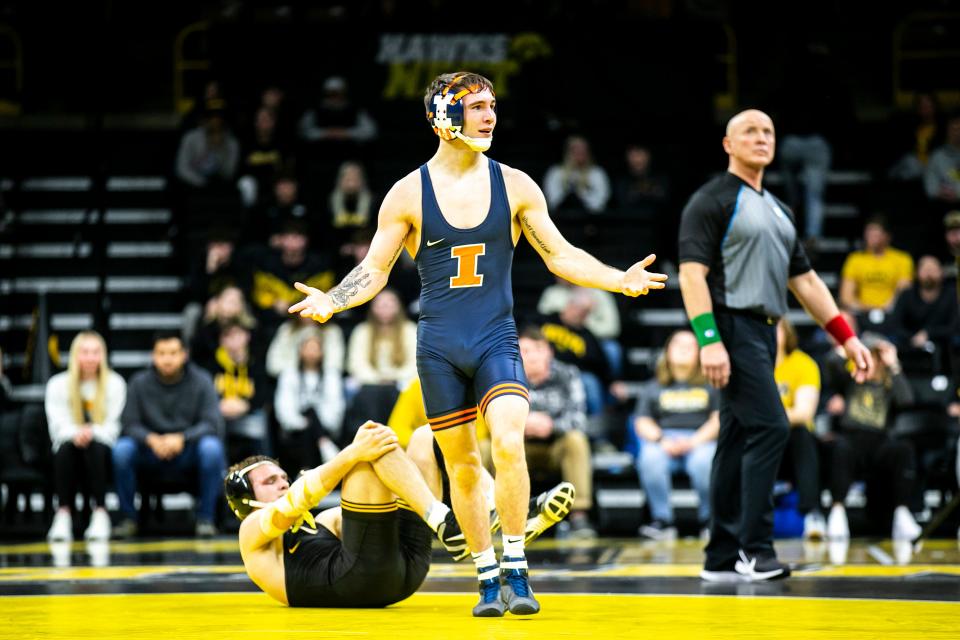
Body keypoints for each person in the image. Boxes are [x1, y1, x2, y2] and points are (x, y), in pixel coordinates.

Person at [288, 71, 666, 616]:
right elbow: (374, 270)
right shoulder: (406, 194)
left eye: (493, 105)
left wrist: (617, 279)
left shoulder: (515, 185)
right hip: (439, 347)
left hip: (495, 336)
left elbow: (557, 254)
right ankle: (487, 575)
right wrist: (334, 301)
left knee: (508, 440)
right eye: (478, 106)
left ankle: (516, 564)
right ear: (444, 116)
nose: (490, 115)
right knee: (462, 464)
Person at [677, 109, 872, 583]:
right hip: (730, 325)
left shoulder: (780, 211)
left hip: (766, 330)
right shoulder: (711, 200)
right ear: (728, 144)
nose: (761, 138)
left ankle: (721, 556)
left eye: (768, 131)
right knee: (772, 427)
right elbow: (691, 274)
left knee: (738, 436)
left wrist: (846, 338)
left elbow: (804, 282)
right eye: (750, 131)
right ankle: (755, 548)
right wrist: (709, 340)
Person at [227, 422, 575, 608]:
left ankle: (490, 514)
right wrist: (352, 453)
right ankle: (453, 520)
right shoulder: (251, 534)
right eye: (270, 481)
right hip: (353, 584)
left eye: (283, 477)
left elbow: (380, 504)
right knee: (365, 455)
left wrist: (405, 469)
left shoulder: (322, 522)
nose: (282, 483)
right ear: (246, 500)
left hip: (402, 573)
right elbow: (288, 509)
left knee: (432, 435)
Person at [113, 331, 226, 538]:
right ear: (153, 356)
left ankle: (206, 519)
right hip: (149, 451)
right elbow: (129, 424)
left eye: (173, 353)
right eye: (161, 353)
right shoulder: (139, 382)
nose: (167, 359)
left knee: (211, 448)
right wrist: (151, 439)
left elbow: (211, 423)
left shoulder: (202, 380)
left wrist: (182, 438)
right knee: (122, 450)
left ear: (184, 355)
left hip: (188, 450)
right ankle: (127, 519)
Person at [824, 336, 921, 541]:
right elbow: (831, 363)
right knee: (840, 448)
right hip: (852, 438)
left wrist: (894, 364)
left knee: (903, 449)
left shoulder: (889, 384)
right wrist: (850, 347)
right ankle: (837, 511)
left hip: (879, 440)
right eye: (870, 356)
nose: (873, 362)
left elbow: (907, 400)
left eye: (876, 358)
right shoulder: (853, 378)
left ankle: (902, 513)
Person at [633, 330, 718, 541]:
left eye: (690, 345)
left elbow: (719, 419)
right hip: (664, 440)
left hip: (701, 439)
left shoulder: (711, 384)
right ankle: (663, 520)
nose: (683, 348)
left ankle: (709, 519)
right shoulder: (652, 386)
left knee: (704, 462)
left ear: (700, 353)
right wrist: (662, 440)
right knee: (650, 458)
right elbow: (642, 421)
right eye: (677, 343)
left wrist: (693, 441)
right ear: (667, 351)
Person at [45, 332, 126, 542]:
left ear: (103, 355)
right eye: (85, 352)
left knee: (95, 447)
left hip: (102, 450)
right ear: (75, 355)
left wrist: (91, 432)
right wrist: (77, 433)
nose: (90, 358)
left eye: (96, 352)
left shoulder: (115, 383)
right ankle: (63, 514)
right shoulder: (57, 384)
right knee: (66, 448)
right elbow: (57, 428)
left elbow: (112, 428)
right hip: (68, 450)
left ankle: (100, 512)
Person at [518, 326, 595, 538]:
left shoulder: (568, 374)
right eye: (524, 351)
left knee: (576, 440)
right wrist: (521, 425)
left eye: (538, 349)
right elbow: (488, 419)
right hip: (518, 446)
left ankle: (579, 516)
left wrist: (551, 425)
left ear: (549, 352)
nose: (532, 356)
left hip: (555, 445)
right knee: (488, 446)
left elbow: (579, 420)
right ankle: (497, 514)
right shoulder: (506, 375)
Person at [773, 318, 825, 540]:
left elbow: (804, 413)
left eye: (775, 329)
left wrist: (765, 418)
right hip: (757, 437)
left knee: (800, 433)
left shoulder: (803, 364)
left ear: (787, 333)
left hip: (791, 441)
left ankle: (812, 513)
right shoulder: (749, 363)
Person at [274, 332, 345, 476]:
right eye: (308, 348)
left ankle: (306, 472)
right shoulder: (289, 374)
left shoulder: (331, 375)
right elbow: (284, 410)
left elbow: (336, 409)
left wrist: (314, 424)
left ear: (322, 352)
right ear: (300, 351)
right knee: (309, 416)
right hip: (296, 432)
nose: (311, 353)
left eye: (315, 348)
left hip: (326, 428)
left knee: (311, 414)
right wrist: (304, 423)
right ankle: (323, 444)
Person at [838, 216, 914, 321]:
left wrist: (886, 307)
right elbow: (846, 297)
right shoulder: (855, 259)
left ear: (887, 236)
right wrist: (867, 308)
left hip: (892, 313)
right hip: (862, 313)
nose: (871, 237)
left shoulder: (902, 259)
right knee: (844, 317)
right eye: (868, 234)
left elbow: (903, 291)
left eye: (876, 234)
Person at [542, 135, 611, 214]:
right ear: (568, 152)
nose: (579, 153)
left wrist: (582, 192)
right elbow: (553, 201)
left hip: (590, 219)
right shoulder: (555, 172)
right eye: (575, 149)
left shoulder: (597, 173)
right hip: (561, 218)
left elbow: (600, 204)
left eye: (583, 150)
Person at [924, 112, 960, 206]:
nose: (957, 133)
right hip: (943, 205)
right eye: (954, 129)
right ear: (947, 131)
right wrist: (937, 192)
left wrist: (958, 194)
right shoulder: (937, 156)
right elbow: (930, 183)